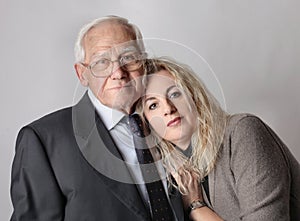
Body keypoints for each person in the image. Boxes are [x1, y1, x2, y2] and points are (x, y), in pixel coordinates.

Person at [10, 16, 186, 221]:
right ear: (82, 74)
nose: (118, 73)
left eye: (128, 58)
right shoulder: (44, 140)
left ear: (144, 64)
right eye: (102, 61)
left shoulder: (171, 121)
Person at [136, 57, 300, 221]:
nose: (168, 108)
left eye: (174, 94)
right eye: (153, 105)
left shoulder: (242, 132)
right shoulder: (169, 176)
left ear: (193, 96)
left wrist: (196, 206)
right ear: (146, 122)